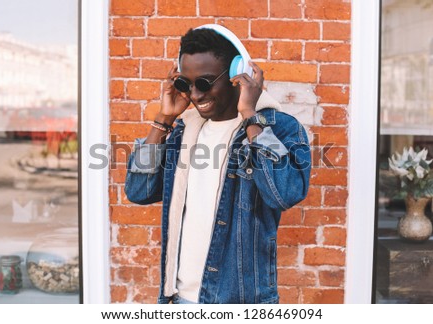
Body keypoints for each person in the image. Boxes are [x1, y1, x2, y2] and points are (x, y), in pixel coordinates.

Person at [125, 24, 311, 304]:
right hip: (178, 299)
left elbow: (283, 193)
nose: (196, 95)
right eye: (186, 84)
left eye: (205, 82)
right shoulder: (181, 131)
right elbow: (138, 191)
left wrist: (249, 114)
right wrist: (163, 120)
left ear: (238, 75)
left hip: (239, 301)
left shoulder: (279, 128)